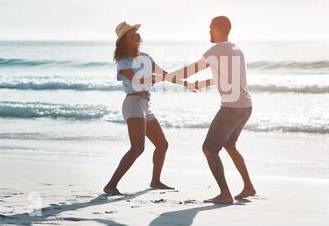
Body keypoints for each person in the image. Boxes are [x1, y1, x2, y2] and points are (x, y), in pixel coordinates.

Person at [166, 16, 255, 204]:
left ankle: (225, 193)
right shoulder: (236, 49)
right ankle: (248, 186)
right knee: (229, 145)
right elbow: (228, 78)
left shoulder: (216, 50)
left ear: (216, 28)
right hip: (246, 107)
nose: (208, 31)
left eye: (209, 28)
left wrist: (167, 76)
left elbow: (190, 70)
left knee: (209, 149)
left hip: (231, 109)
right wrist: (204, 83)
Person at [103, 21, 195, 195]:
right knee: (137, 148)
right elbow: (138, 80)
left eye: (136, 33)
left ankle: (155, 181)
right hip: (133, 104)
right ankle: (111, 185)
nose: (136, 36)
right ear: (124, 41)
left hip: (145, 106)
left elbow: (165, 74)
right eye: (132, 35)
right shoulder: (124, 62)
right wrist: (155, 77)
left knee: (162, 144)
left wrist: (186, 83)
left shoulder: (145, 57)